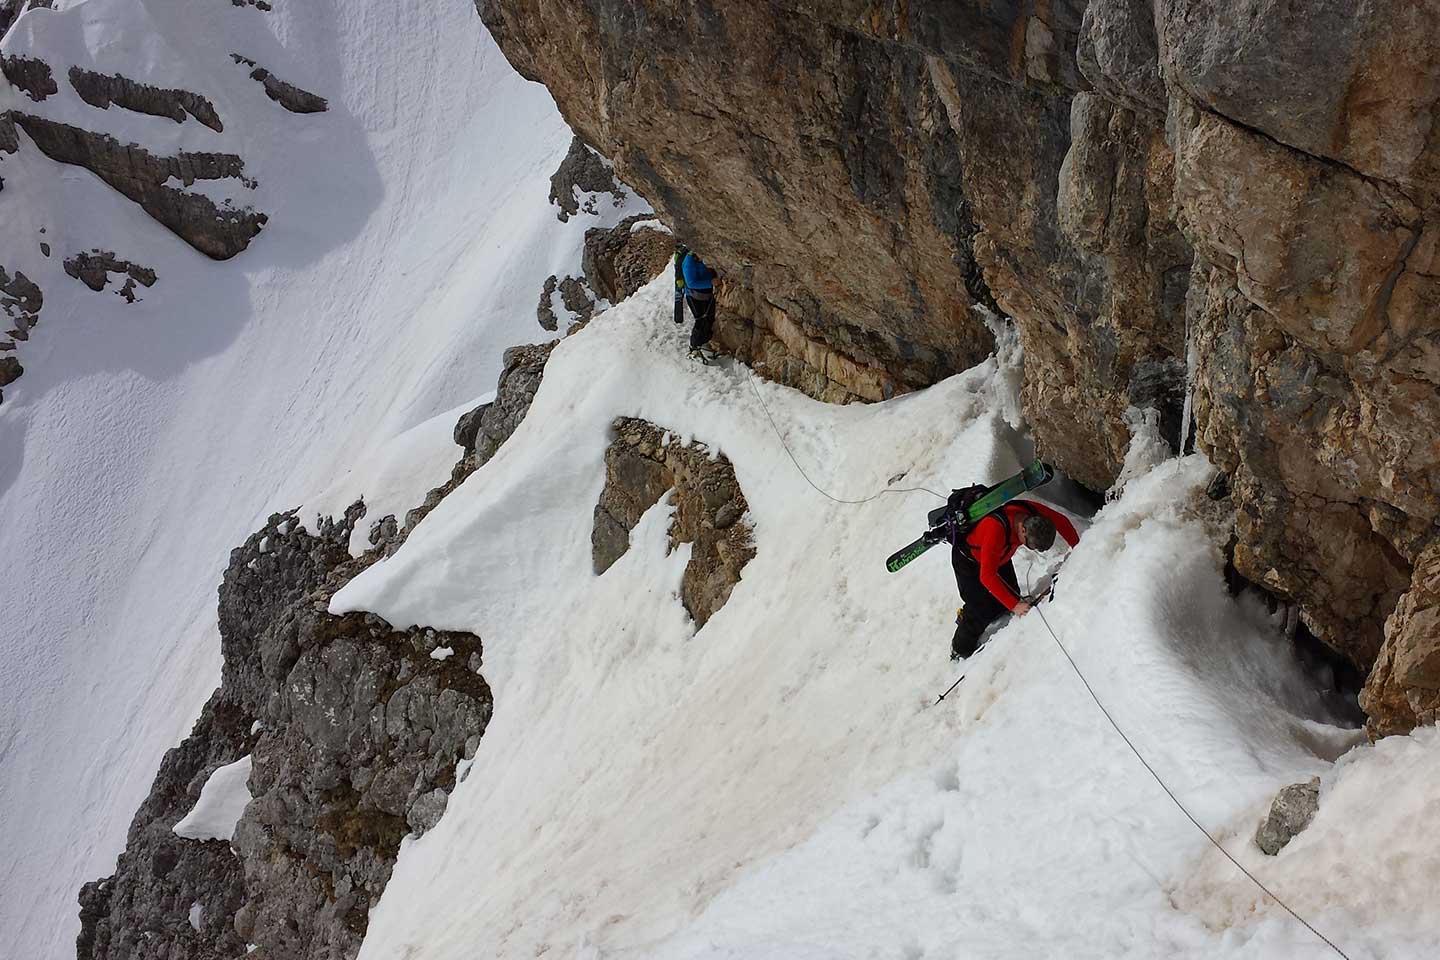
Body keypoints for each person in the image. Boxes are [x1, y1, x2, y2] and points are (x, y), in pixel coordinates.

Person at [947, 499, 1079, 661]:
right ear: (1023, 530)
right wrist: (1014, 606)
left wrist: (1079, 547)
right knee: (980, 608)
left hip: (999, 557)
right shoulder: (995, 528)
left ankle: (995, 611)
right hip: (969, 562)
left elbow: (1061, 521)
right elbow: (987, 576)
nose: (1032, 548)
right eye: (1031, 546)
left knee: (1007, 598)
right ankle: (959, 649)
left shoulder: (1031, 513)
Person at [678, 247, 717, 359]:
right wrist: (711, 283)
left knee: (709, 319)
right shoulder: (688, 263)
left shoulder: (698, 260)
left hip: (706, 295)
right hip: (694, 296)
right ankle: (694, 346)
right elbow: (691, 283)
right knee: (700, 320)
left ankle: (704, 343)